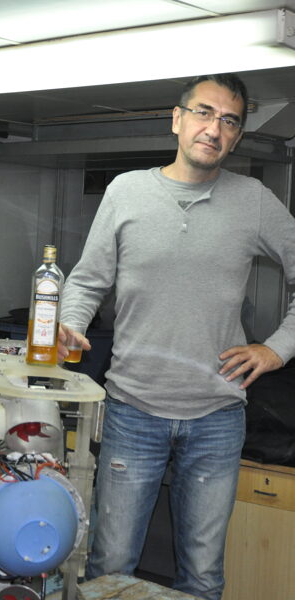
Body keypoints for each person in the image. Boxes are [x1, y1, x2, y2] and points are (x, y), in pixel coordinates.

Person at [58, 73, 295, 600]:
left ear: (237, 136)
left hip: (217, 417)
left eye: (229, 121)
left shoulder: (253, 200)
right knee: (110, 565)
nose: (214, 128)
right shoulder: (127, 191)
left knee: (202, 578)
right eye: (204, 113)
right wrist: (71, 322)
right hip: (132, 411)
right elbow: (88, 280)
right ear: (177, 119)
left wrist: (276, 349)